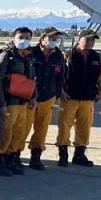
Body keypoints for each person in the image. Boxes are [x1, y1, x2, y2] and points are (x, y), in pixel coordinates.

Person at [56, 29, 101, 167]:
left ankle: (79, 154)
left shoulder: (97, 57)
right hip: (69, 97)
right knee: (64, 126)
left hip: (88, 98)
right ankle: (63, 153)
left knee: (84, 126)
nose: (90, 43)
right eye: (87, 40)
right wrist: (60, 90)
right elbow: (58, 75)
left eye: (92, 40)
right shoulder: (67, 55)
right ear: (79, 40)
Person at [0, 27, 38, 176]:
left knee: (19, 133)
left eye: (27, 37)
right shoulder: (6, 55)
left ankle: (12, 158)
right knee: (5, 132)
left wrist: (33, 97)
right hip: (9, 101)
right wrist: (1, 103)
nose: (24, 40)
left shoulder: (28, 56)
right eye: (21, 36)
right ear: (14, 37)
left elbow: (32, 78)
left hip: (22, 102)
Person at [24, 27, 66, 170]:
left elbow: (61, 77)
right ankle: (13, 155)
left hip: (48, 97)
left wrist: (57, 94)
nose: (54, 41)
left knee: (41, 129)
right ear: (42, 38)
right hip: (29, 97)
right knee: (23, 128)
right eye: (51, 38)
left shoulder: (58, 55)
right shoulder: (31, 53)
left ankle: (36, 156)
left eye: (56, 38)